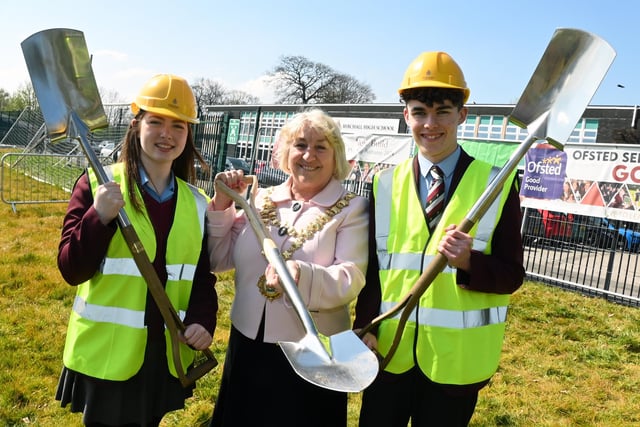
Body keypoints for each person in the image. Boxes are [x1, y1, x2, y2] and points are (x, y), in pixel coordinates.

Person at [354, 51, 525, 426]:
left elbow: (512, 275)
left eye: (443, 112)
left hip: (454, 367)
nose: (430, 124)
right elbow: (372, 271)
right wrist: (364, 327)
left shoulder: (497, 185)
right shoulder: (383, 185)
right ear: (406, 116)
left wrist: (470, 262)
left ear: (462, 114)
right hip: (388, 354)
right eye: (419, 112)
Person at [55, 74, 218, 426]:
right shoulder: (97, 183)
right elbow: (71, 269)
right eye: (156, 121)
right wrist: (97, 217)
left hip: (164, 353)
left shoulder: (196, 203)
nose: (167, 134)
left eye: (178, 126)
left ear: (188, 134)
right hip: (107, 353)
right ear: (136, 125)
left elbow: (202, 277)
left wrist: (203, 321)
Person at [206, 108, 368, 427]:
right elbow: (218, 258)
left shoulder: (353, 208)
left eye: (321, 146)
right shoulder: (260, 199)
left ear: (336, 156)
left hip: (310, 352)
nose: (309, 155)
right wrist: (223, 208)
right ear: (286, 152)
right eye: (300, 145)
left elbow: (351, 277)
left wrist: (301, 276)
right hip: (248, 345)